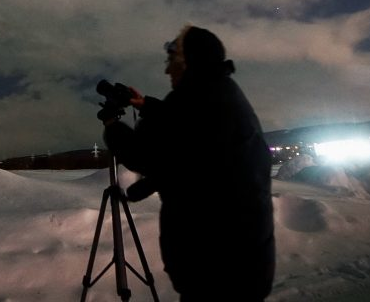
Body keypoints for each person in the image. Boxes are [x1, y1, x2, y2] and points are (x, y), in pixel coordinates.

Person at [99, 25, 275, 300]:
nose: (167, 71)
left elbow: (143, 154)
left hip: (213, 270)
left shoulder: (193, 99)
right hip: (243, 259)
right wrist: (145, 105)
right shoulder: (220, 91)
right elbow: (189, 133)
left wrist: (112, 125)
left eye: (171, 61)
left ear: (189, 62)